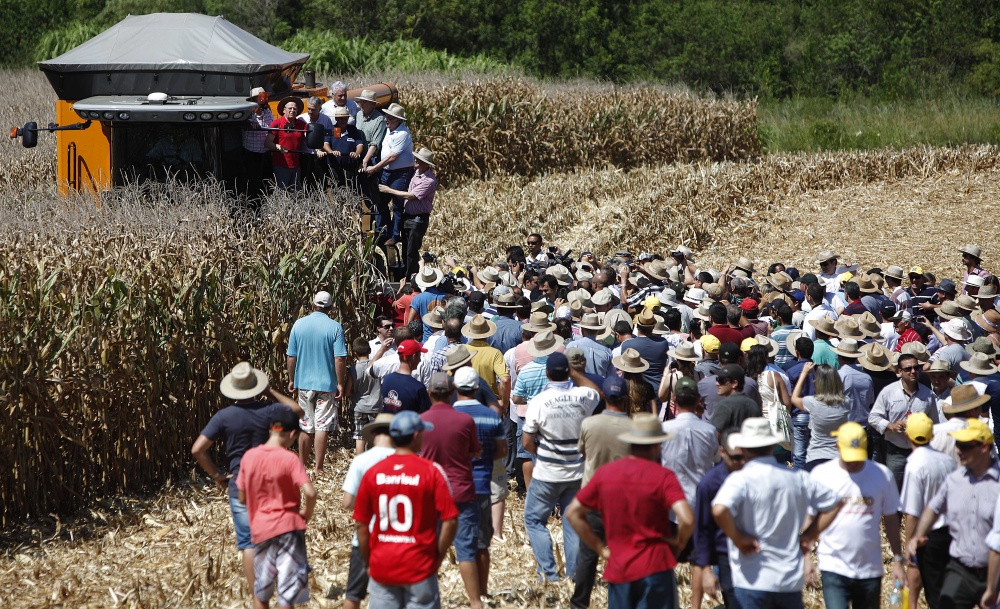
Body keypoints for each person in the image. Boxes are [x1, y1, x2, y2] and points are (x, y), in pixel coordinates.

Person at [191, 362, 302, 591]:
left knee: (248, 543)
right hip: (270, 484)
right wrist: (269, 391)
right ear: (256, 386)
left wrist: (217, 475)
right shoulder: (270, 410)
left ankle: (258, 594)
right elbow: (297, 409)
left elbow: (197, 450)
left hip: (239, 483)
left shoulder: (224, 416)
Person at [712, 418, 842, 609]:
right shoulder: (798, 477)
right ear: (773, 445)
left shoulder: (739, 480)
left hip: (751, 579)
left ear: (743, 449)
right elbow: (834, 504)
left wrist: (738, 537)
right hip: (788, 580)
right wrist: (808, 536)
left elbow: (719, 509)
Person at [566, 414, 694, 609]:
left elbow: (572, 513)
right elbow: (687, 519)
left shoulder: (606, 473)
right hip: (656, 565)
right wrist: (678, 545)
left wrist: (600, 548)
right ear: (656, 445)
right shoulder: (664, 476)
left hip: (620, 567)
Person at [353, 411, 458, 609]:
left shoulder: (373, 472)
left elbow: (361, 524)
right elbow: (450, 520)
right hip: (419, 566)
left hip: (382, 565)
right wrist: (438, 556)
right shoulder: (432, 471)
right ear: (416, 436)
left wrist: (369, 561)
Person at [806, 422, 905, 609]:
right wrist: (806, 558)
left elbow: (891, 518)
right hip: (833, 566)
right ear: (837, 447)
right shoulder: (821, 475)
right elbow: (810, 519)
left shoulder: (882, 475)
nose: (853, 462)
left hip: (870, 569)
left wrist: (898, 559)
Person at [522, 352, 601, 582]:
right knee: (572, 520)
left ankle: (548, 572)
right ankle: (574, 574)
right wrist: (575, 373)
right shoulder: (582, 396)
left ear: (547, 374)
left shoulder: (539, 401)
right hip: (577, 471)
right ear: (568, 372)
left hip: (548, 472)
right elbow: (596, 392)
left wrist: (542, 454)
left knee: (534, 520)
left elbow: (527, 442)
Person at [907, 419, 1000, 609]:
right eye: (958, 445)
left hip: (996, 572)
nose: (958, 450)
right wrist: (918, 536)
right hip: (960, 569)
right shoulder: (954, 480)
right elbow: (933, 508)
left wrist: (993, 587)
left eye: (964, 446)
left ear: (984, 447)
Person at [236, 408, 317, 609]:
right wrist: (306, 513)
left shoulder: (249, 457)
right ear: (291, 434)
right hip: (290, 529)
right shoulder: (289, 459)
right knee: (286, 596)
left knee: (261, 594)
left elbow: (242, 497)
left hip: (261, 529)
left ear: (271, 430)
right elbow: (310, 492)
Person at [419, 372, 484, 609]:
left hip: (430, 494)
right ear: (452, 391)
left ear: (430, 393)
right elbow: (475, 451)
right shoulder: (465, 421)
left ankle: (427, 599)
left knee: (428, 550)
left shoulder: (421, 421)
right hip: (461, 491)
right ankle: (475, 601)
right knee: (466, 550)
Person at [571, 376, 634, 609]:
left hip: (593, 497)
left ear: (604, 396)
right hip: (622, 500)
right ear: (625, 397)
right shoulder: (633, 427)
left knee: (587, 555)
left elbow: (584, 454)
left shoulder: (590, 424)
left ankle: (579, 603)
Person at [660, 376, 718, 609]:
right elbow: (715, 460)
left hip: (670, 505)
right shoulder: (710, 430)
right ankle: (695, 606)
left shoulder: (663, 429)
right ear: (697, 400)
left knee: (666, 558)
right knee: (698, 560)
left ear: (674, 399)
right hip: (699, 503)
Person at [452, 368, 508, 599]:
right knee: (482, 542)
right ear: (477, 389)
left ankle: (470, 596)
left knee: (463, 543)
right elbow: (502, 450)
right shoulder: (490, 415)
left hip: (455, 486)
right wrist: (481, 458)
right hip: (482, 484)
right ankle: (482, 593)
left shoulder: (449, 416)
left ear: (455, 388)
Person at [286, 290, 348, 473]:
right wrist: (340, 383)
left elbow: (291, 356)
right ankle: (319, 468)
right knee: (322, 425)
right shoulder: (335, 327)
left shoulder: (299, 324)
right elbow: (339, 358)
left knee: (306, 424)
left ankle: (302, 466)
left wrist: (292, 379)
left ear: (313, 305)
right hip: (326, 384)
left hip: (304, 383)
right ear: (330, 307)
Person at [339, 413, 396, 609]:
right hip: (396, 539)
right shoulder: (406, 461)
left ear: (373, 433)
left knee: (353, 595)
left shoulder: (362, 460)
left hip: (365, 539)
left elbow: (347, 502)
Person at [899, 412, 955, 609]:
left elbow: (912, 512)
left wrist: (908, 546)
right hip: (951, 532)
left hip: (927, 537)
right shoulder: (947, 461)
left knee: (934, 594)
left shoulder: (914, 465)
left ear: (908, 436)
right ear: (931, 435)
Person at [869, 352, 939, 489]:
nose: (913, 371)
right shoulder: (888, 392)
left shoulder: (928, 394)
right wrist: (890, 425)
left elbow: (934, 424)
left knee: (919, 490)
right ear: (900, 371)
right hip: (895, 451)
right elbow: (873, 417)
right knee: (894, 490)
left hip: (920, 450)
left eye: (916, 368)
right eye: (908, 369)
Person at [693, 432, 746, 609]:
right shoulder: (709, 484)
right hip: (726, 556)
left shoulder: (753, 476)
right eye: (737, 458)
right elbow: (702, 531)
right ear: (722, 452)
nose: (742, 462)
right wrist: (706, 571)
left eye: (746, 456)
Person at [378, 147, 438, 278]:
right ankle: (408, 275)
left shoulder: (429, 180)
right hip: (408, 216)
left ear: (425, 163)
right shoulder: (415, 172)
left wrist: (389, 190)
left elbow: (411, 195)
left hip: (418, 220)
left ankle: (412, 278)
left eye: (419, 159)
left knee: (411, 251)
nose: (415, 160)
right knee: (406, 249)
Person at [365, 103, 413, 246]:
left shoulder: (403, 134)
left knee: (398, 205)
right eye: (386, 116)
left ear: (398, 120)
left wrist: (375, 168)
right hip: (387, 172)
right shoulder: (389, 130)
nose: (386, 119)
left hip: (400, 174)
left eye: (390, 118)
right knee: (380, 201)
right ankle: (382, 231)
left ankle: (394, 235)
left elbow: (392, 157)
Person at [791, 362, 850, 471]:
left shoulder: (812, 402)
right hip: (839, 457)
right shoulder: (846, 402)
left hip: (816, 457)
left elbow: (794, 398)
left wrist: (804, 374)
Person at [347, 337, 382, 455]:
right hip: (376, 407)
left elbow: (347, 392)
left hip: (359, 407)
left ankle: (360, 467)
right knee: (375, 438)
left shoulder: (353, 370)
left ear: (355, 353)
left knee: (359, 438)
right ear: (369, 350)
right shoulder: (377, 366)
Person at [379, 339, 431, 413]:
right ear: (414, 356)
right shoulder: (418, 388)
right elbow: (426, 414)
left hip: (388, 424)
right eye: (419, 356)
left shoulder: (387, 380)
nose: (420, 360)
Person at [265, 97, 306, 190]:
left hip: (296, 166)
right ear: (284, 110)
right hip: (281, 165)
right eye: (290, 108)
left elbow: (308, 137)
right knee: (282, 192)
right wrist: (278, 147)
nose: (292, 110)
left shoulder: (302, 124)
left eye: (294, 108)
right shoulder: (277, 123)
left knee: (296, 194)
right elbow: (267, 143)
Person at [710, 364, 762, 435]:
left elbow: (714, 435)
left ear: (734, 383)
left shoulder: (725, 405)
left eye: (721, 380)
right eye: (717, 379)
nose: (717, 383)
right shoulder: (753, 404)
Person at [296, 97, 336, 188]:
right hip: (305, 156)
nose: (310, 111)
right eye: (308, 109)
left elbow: (328, 138)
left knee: (321, 182)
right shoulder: (301, 119)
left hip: (321, 157)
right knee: (305, 182)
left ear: (319, 109)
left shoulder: (326, 120)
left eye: (313, 109)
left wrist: (322, 150)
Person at [242, 87, 273, 201]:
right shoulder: (247, 113)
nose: (264, 99)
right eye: (261, 97)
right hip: (252, 153)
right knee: (253, 181)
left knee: (266, 180)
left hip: (265, 151)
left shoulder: (268, 111)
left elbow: (271, 126)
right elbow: (244, 125)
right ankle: (253, 204)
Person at [326, 106, 365, 187]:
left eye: (345, 118)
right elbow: (325, 144)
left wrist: (356, 153)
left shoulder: (353, 130)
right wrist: (331, 152)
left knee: (351, 192)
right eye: (340, 118)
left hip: (350, 168)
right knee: (336, 191)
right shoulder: (332, 129)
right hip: (334, 168)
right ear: (336, 119)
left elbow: (360, 145)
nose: (343, 121)